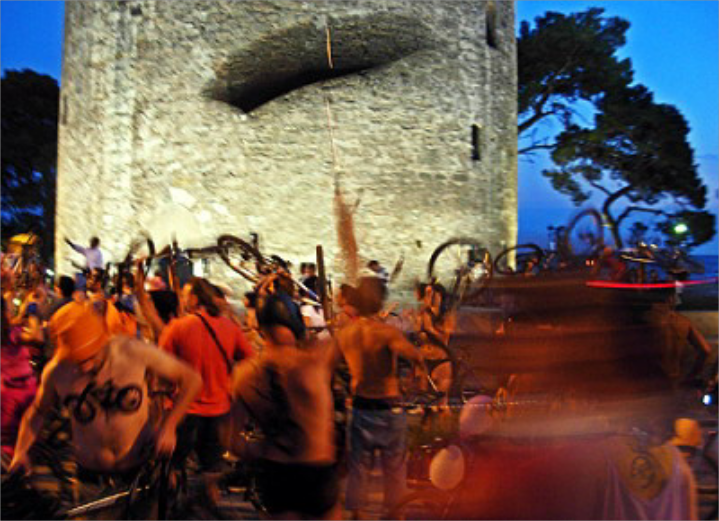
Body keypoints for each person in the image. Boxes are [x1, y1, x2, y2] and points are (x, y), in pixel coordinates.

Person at [8, 301, 203, 515]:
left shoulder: (133, 352)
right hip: (91, 480)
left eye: (91, 357)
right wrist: (21, 452)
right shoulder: (57, 372)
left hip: (140, 472)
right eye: (77, 360)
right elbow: (37, 412)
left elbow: (191, 380)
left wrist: (169, 426)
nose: (85, 367)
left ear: (102, 342)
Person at [230, 293, 341, 520]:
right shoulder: (315, 361)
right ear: (295, 323)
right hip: (317, 468)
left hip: (275, 470)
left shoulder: (242, 374)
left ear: (261, 329)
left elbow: (231, 440)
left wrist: (261, 451)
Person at [334, 276, 427, 520]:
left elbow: (329, 365)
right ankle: (396, 515)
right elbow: (416, 356)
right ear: (379, 301)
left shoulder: (346, 333)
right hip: (388, 409)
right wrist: (414, 380)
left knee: (358, 469)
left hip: (360, 407)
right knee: (394, 470)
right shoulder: (387, 333)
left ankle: (358, 515)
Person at [159, 277, 254, 512]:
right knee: (211, 470)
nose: (183, 300)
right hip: (220, 409)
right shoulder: (229, 327)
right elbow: (250, 359)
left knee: (172, 467)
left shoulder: (178, 327)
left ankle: (171, 511)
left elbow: (161, 366)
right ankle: (210, 511)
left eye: (185, 295)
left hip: (184, 409)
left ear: (194, 298)